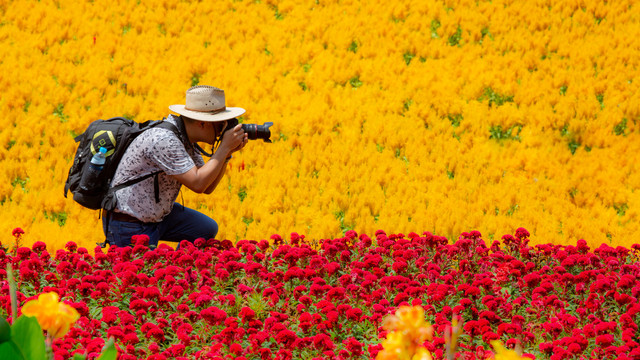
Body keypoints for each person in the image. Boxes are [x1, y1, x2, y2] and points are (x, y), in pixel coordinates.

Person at [102, 85, 248, 248]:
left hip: (157, 216)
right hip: (130, 223)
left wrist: (226, 154)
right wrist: (224, 148)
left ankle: (180, 267)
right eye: (220, 124)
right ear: (202, 123)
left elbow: (207, 186)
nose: (223, 130)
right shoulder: (165, 140)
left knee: (205, 229)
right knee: (141, 273)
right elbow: (198, 183)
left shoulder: (184, 137)